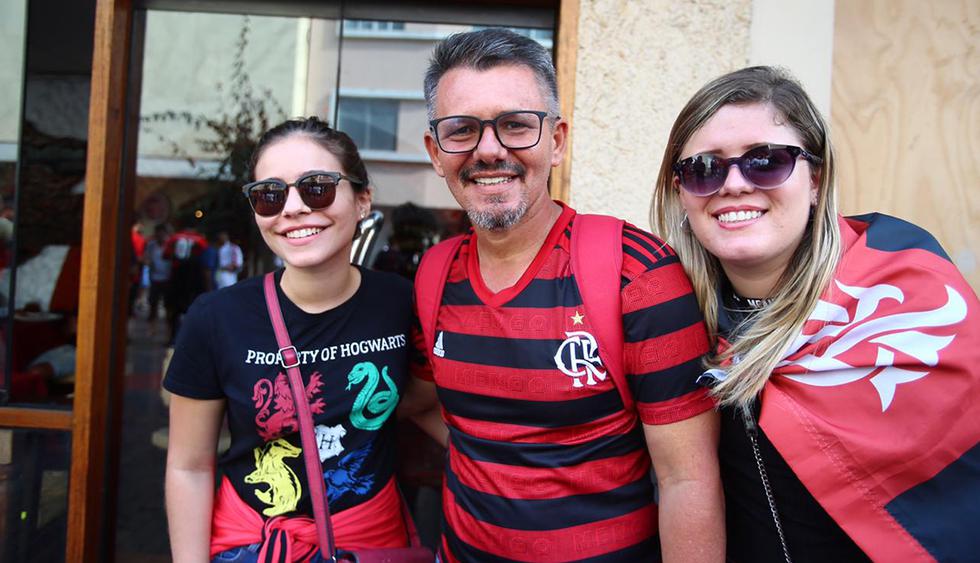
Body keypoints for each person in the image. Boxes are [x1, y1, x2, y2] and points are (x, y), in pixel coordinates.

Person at [404, 28, 724, 562]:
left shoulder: (636, 272)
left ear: (556, 141)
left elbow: (687, 480)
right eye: (461, 131)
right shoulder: (434, 273)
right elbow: (437, 411)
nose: (489, 150)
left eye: (515, 126)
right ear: (436, 154)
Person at [650, 66, 980, 563]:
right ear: (681, 191)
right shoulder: (665, 318)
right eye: (704, 168)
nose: (734, 184)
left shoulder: (907, 287)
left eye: (766, 161)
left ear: (815, 179)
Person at [164, 117, 424, 562]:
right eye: (270, 195)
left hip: (371, 543)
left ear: (362, 200)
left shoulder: (402, 303)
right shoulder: (216, 318)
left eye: (317, 187)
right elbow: (189, 466)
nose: (293, 208)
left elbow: (428, 403)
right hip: (253, 545)